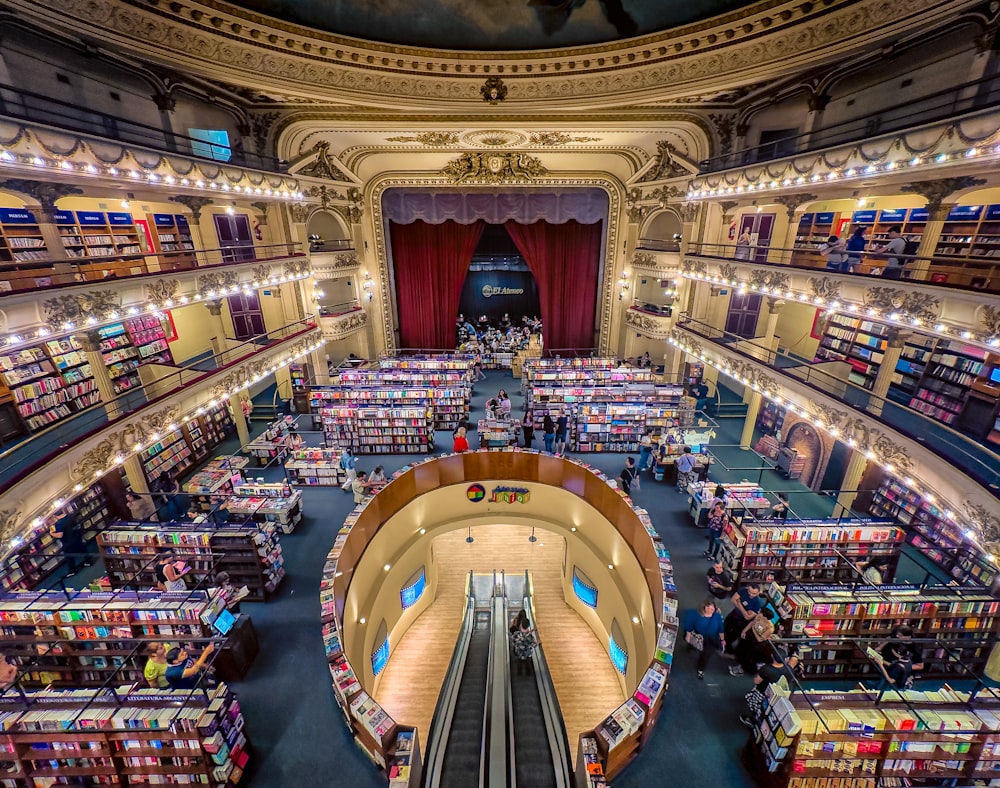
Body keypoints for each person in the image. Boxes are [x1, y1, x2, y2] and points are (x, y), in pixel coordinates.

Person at [740, 645, 800, 727]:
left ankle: (753, 720)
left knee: (757, 705)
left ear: (772, 656)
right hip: (780, 695)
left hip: (764, 693)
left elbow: (756, 681)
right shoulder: (789, 669)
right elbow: (794, 660)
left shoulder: (766, 669)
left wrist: (759, 671)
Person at [683, 598, 725, 680]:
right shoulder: (696, 614)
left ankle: (701, 669)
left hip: (711, 638)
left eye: (712, 608)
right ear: (704, 607)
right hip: (698, 635)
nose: (710, 610)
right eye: (708, 607)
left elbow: (721, 629)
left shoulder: (717, 616)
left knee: (706, 654)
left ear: (715, 608)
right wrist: (688, 636)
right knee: (694, 644)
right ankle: (691, 647)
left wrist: (722, 640)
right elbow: (689, 625)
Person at [724, 583, 765, 652]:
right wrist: (745, 611)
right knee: (725, 627)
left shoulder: (759, 603)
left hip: (742, 621)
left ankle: (726, 646)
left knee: (733, 635)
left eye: (754, 593)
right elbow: (733, 599)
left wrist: (739, 604)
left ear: (758, 593)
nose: (751, 594)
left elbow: (747, 618)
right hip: (734, 614)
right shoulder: (743, 590)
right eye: (750, 592)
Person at [50, 507, 86, 577]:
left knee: (69, 557)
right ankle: (89, 562)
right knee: (83, 549)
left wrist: (52, 533)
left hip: (68, 542)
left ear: (55, 516)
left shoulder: (58, 523)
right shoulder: (70, 516)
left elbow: (60, 535)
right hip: (76, 537)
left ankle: (73, 571)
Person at [510, 609, 539, 676]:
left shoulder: (516, 634)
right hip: (527, 654)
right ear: (528, 627)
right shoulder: (530, 637)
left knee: (519, 663)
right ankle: (528, 673)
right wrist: (539, 642)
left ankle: (519, 673)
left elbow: (514, 640)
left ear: (520, 626)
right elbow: (534, 645)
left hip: (519, 653)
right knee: (528, 663)